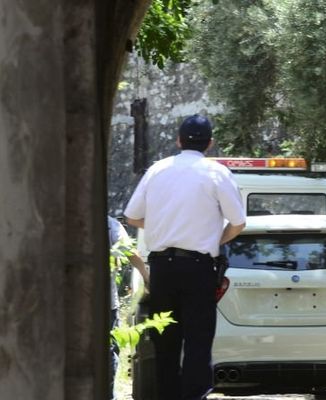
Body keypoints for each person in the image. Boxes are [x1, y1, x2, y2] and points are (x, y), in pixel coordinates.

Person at [124, 114, 246, 400]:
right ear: (210, 143)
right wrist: (212, 239)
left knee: (164, 342)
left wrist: (159, 227)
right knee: (198, 343)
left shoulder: (157, 170)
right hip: (198, 267)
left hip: (162, 268)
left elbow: (132, 216)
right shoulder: (217, 172)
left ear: (178, 141)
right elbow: (238, 223)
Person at [107, 215, 150, 400]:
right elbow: (129, 251)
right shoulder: (109, 224)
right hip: (106, 303)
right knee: (109, 350)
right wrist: (147, 277)